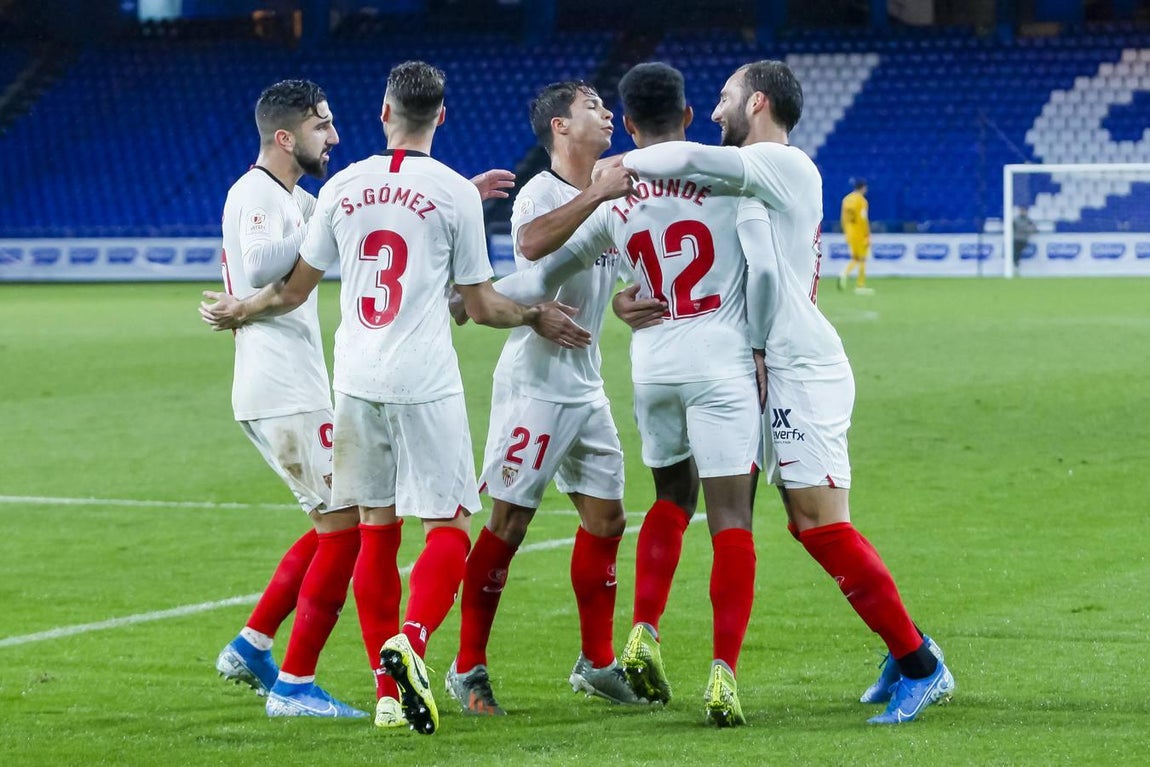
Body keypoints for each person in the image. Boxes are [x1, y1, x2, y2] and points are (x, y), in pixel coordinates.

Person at [200, 60, 591, 735]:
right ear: (441, 116)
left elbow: (291, 289)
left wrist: (244, 305)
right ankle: (398, 644)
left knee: (371, 531)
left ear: (384, 115)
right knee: (447, 525)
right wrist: (529, 314)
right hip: (418, 379)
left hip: (353, 379)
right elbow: (479, 302)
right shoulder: (447, 194)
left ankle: (383, 693)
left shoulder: (345, 187)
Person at [617, 59, 955, 725]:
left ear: (759, 102)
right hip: (773, 366)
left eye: (724, 98)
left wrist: (624, 167)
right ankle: (902, 646)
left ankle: (922, 663)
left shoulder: (784, 164)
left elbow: (754, 256)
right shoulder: (757, 176)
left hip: (797, 365)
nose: (715, 111)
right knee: (807, 525)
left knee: (822, 521)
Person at [491, 62, 761, 728]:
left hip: (653, 367)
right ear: (691, 116)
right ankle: (723, 672)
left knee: (670, 498)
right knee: (731, 518)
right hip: (719, 359)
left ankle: (642, 627)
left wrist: (474, 297)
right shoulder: (727, 175)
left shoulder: (619, 193)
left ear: (631, 124)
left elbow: (541, 267)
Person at [445, 81, 642, 716]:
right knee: (508, 524)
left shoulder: (609, 200)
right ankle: (466, 667)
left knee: (608, 521)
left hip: (586, 384)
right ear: (560, 126)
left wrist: (627, 304)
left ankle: (596, 662)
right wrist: (597, 194)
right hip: (534, 385)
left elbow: (607, 285)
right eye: (593, 106)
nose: (607, 112)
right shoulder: (547, 189)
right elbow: (530, 246)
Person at [212, 78, 367, 720]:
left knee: (332, 521)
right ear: (285, 136)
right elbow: (254, 267)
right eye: (321, 126)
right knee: (348, 528)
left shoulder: (294, 198)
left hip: (289, 385)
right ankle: (295, 687)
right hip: (282, 389)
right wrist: (324, 213)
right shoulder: (257, 194)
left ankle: (253, 647)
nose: (333, 136)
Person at [838, 177, 873, 294]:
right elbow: (863, 220)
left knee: (855, 258)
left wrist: (846, 231)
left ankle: (844, 273)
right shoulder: (862, 201)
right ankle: (860, 285)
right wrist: (867, 235)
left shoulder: (846, 199)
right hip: (859, 233)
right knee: (862, 259)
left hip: (849, 232)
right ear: (863, 188)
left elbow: (843, 219)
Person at [1013, 206, 1037, 271]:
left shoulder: (1029, 220)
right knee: (1016, 251)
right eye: (1022, 211)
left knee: (1019, 251)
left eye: (1024, 211)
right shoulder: (1016, 220)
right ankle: (1015, 264)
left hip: (1024, 239)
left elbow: (1034, 229)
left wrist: (1027, 230)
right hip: (1017, 238)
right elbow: (1012, 229)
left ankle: (1016, 264)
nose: (1023, 212)